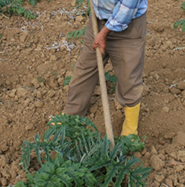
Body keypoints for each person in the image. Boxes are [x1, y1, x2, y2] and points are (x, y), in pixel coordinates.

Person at [63, 0, 148, 136]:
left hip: (128, 26)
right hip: (98, 20)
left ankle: (130, 129)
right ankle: (71, 115)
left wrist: (104, 33)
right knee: (86, 68)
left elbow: (127, 8)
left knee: (128, 77)